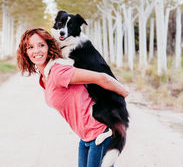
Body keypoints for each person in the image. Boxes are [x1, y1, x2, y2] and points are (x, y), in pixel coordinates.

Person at [16, 28, 129, 167]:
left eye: (41, 45)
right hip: (86, 137)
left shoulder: (58, 72)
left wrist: (124, 93)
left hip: (100, 134)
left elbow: (102, 78)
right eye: (30, 47)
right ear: (25, 52)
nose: (36, 51)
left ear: (49, 47)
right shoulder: (44, 76)